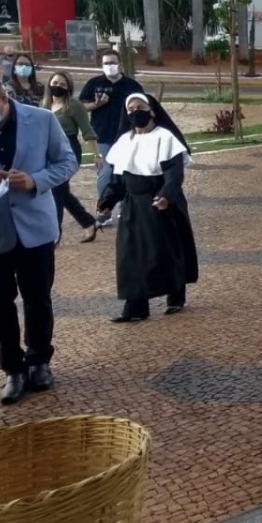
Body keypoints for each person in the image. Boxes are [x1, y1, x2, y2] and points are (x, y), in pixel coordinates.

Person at [0, 75, 78, 404]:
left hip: (36, 229)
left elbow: (67, 161)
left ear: (3, 97)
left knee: (38, 299)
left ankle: (39, 360)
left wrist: (35, 180)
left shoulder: (41, 119)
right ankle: (13, 370)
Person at [97, 93, 197, 322]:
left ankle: (176, 295)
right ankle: (135, 308)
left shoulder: (165, 138)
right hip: (133, 206)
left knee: (164, 253)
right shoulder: (124, 141)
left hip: (160, 205)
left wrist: (165, 196)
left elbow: (174, 175)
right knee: (130, 256)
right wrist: (107, 202)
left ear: (151, 110)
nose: (135, 112)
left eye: (140, 107)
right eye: (131, 109)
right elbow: (118, 179)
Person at [79, 49, 143, 227]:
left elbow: (143, 106)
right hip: (102, 136)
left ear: (120, 64)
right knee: (105, 172)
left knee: (126, 172)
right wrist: (97, 104)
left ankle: (126, 208)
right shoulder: (94, 84)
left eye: (113, 62)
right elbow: (81, 106)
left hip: (127, 137)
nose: (110, 66)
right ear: (101, 65)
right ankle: (104, 209)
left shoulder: (131, 85)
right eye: (106, 63)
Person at [43, 70, 101, 244]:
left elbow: (87, 131)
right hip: (48, 151)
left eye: (62, 84)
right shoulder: (44, 105)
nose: (58, 86)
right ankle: (89, 222)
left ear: (68, 87)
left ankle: (54, 233)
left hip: (68, 150)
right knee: (62, 191)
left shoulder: (74, 105)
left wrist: (96, 155)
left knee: (57, 191)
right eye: (55, 83)